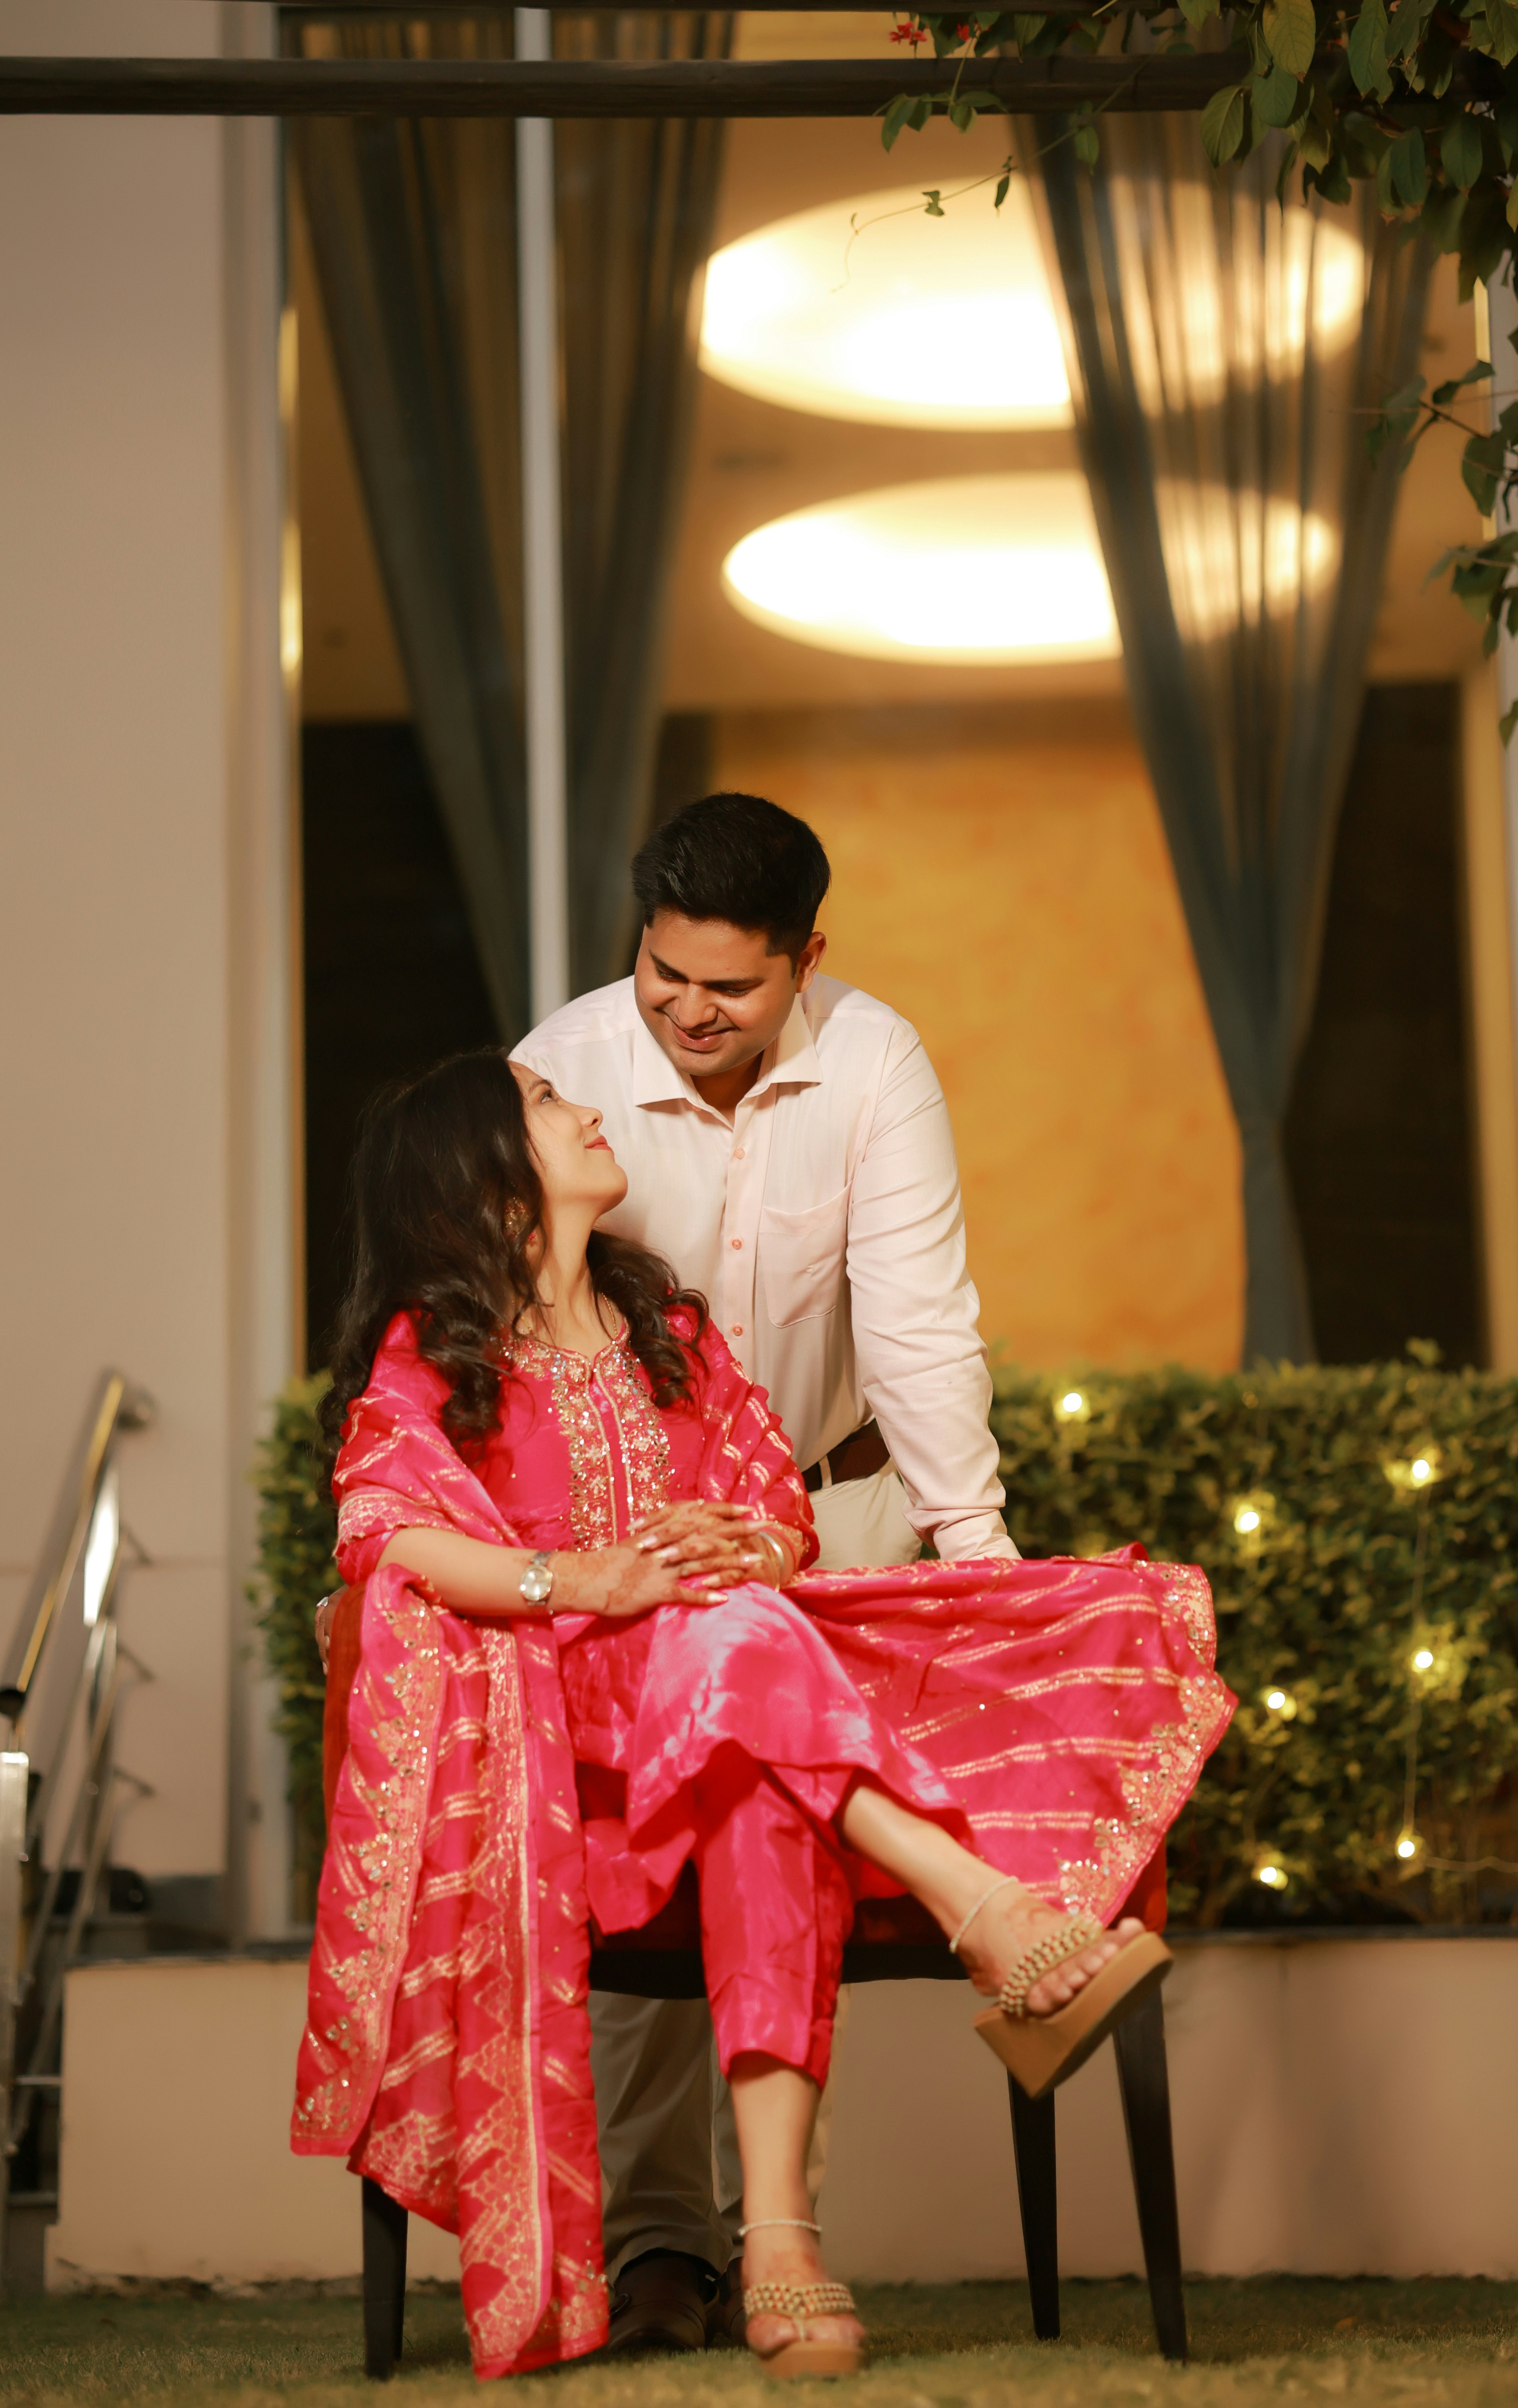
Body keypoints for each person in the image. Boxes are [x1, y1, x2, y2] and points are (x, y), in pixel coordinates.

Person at [295, 1051, 1234, 2382]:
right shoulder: (435, 1358)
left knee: (760, 1767)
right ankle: (991, 1912)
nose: (588, 1113)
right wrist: (590, 1577)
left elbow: (782, 1515)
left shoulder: (668, 1334)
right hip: (572, 1758)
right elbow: (387, 1540)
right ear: (492, 1180)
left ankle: (782, 2244)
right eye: (552, 1111)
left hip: (736, 1730)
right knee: (731, 1651)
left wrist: (741, 1544)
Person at [511, 792, 1022, 2350]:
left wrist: (979, 1557)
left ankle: (780, 2231)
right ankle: (664, 2243)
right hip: (641, 1543)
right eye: (664, 974)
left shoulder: (874, 1060)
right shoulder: (564, 1068)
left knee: (789, 1852)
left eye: (728, 987)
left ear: (807, 960)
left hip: (840, 1506)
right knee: (647, 1861)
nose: (687, 1012)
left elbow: (921, 1326)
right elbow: (518, 1331)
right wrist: (619, 1554)